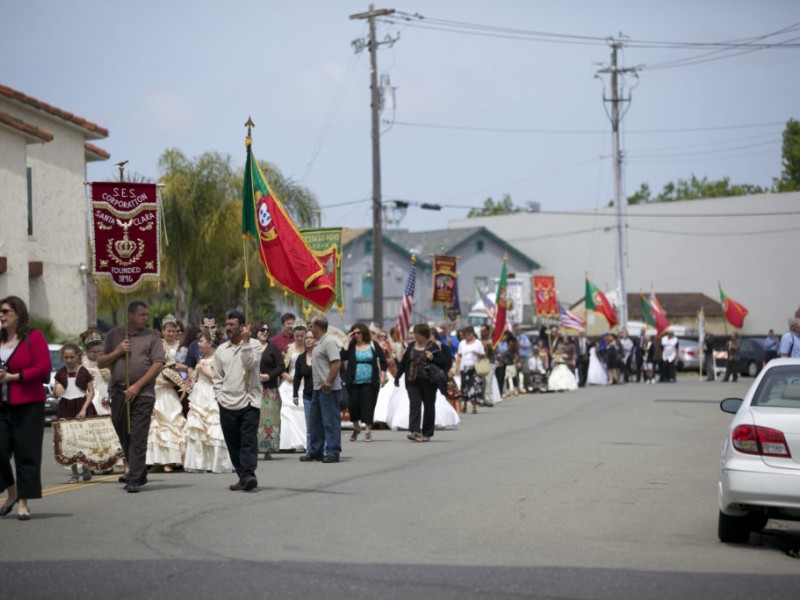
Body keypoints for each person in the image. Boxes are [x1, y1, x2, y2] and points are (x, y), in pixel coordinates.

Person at [98, 301, 165, 493]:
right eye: (142, 314)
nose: (146, 318)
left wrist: (137, 386)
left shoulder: (152, 336)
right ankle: (139, 471)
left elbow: (158, 364)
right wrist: (118, 351)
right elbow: (101, 362)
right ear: (130, 315)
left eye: (146, 314)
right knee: (123, 432)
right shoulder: (114, 335)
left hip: (142, 393)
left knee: (138, 434)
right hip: (118, 392)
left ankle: (134, 477)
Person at [0, 295, 51, 520]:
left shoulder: (34, 337)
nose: (1, 315)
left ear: (18, 314)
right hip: (2, 406)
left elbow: (43, 368)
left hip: (28, 405)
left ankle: (23, 502)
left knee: (26, 454)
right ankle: (11, 491)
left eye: (5, 311)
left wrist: (14, 377)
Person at [213, 309, 262, 491]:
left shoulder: (255, 344)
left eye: (232, 325)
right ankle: (243, 476)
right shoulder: (221, 350)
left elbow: (250, 364)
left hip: (249, 401)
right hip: (227, 403)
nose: (228, 328)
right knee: (233, 442)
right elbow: (217, 377)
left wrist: (247, 342)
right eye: (226, 324)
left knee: (248, 441)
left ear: (242, 327)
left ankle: (249, 474)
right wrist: (219, 396)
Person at [183, 331, 232, 473]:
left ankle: (217, 461)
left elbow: (218, 378)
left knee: (214, 426)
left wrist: (202, 369)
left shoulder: (217, 356)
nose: (198, 344)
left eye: (201, 341)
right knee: (198, 427)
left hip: (212, 392)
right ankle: (201, 462)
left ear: (210, 343)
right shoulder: (203, 356)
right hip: (200, 392)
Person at [146, 314, 187, 473]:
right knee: (155, 424)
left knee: (171, 422)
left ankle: (171, 460)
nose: (170, 333)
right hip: (156, 389)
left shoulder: (182, 348)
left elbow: (186, 374)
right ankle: (156, 461)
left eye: (173, 331)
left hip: (171, 391)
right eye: (168, 330)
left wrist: (171, 382)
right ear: (162, 331)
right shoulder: (156, 345)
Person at [395, 323, 446, 442]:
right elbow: (403, 363)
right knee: (414, 404)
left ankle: (427, 432)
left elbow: (444, 362)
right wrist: (397, 377)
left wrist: (433, 358)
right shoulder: (411, 346)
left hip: (428, 381)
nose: (415, 336)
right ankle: (415, 431)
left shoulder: (433, 346)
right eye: (415, 333)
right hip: (412, 381)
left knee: (428, 406)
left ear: (424, 335)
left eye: (417, 334)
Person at [53, 343, 97, 483]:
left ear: (78, 356)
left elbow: (91, 392)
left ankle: (85, 467)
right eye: (66, 357)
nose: (69, 360)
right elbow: (56, 395)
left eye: (72, 357)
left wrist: (84, 408)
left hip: (81, 405)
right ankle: (74, 473)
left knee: (82, 439)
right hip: (66, 406)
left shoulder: (83, 372)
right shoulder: (60, 373)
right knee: (68, 441)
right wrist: (58, 386)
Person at [302, 315, 342, 463]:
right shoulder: (319, 343)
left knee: (330, 421)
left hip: (328, 389)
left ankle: (332, 451)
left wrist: (328, 382)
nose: (309, 328)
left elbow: (336, 363)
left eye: (311, 326)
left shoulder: (329, 341)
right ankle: (315, 451)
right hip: (318, 389)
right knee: (315, 422)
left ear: (317, 327)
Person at [341, 322, 387, 443]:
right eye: (354, 333)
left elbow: (383, 361)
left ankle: (367, 431)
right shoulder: (351, 345)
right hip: (353, 381)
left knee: (368, 405)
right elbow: (342, 356)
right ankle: (356, 427)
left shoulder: (373, 344)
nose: (356, 335)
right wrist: (347, 340)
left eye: (358, 333)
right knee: (353, 406)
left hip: (370, 381)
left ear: (363, 333)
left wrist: (382, 375)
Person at [278, 322, 309, 452]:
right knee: (287, 412)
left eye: (302, 336)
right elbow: (281, 368)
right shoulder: (289, 349)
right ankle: (288, 443)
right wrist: (286, 376)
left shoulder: (309, 349)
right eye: (297, 336)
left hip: (304, 383)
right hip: (289, 383)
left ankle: (303, 441)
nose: (299, 338)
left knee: (302, 413)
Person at [257, 321, 284, 460]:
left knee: (270, 420)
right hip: (253, 390)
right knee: (254, 420)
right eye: (262, 330)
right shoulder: (250, 347)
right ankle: (253, 448)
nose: (265, 332)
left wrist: (269, 376)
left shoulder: (273, 348)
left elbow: (281, 366)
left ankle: (267, 450)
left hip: (270, 390)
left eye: (267, 330)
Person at [292, 330, 316, 453]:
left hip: (321, 394)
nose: (308, 340)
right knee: (309, 425)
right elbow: (297, 377)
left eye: (311, 337)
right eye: (306, 338)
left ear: (316, 340)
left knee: (322, 424)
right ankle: (310, 451)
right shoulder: (301, 358)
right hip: (307, 395)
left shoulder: (320, 355)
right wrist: (295, 394)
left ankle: (324, 450)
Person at [456, 326, 485, 414]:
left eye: (469, 334)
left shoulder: (478, 343)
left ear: (472, 334)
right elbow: (459, 356)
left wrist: (477, 353)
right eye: (465, 334)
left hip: (474, 367)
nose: (467, 336)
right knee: (464, 387)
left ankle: (474, 407)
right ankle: (464, 405)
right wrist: (457, 367)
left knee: (474, 387)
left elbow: (483, 355)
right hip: (464, 367)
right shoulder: (462, 343)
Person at [514, 324, 532, 392]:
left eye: (518, 329)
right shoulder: (513, 337)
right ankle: (517, 387)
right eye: (515, 329)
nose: (517, 331)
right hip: (516, 357)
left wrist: (521, 344)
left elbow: (528, 345)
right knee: (516, 373)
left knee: (526, 371)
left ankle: (526, 386)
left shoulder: (524, 337)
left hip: (524, 357)